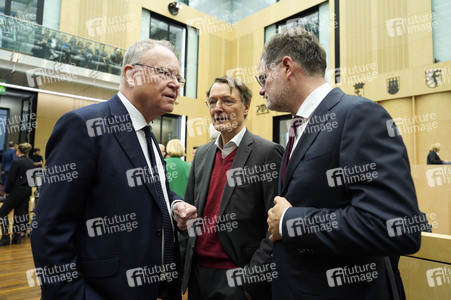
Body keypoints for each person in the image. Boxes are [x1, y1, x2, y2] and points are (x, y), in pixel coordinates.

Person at [259, 27, 426, 300]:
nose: (261, 88)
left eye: (263, 77)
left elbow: (395, 227)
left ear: (287, 66)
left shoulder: (359, 115)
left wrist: (291, 221)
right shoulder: (297, 129)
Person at [31, 39, 197, 299]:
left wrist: (173, 204)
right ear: (131, 75)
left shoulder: (148, 135)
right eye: (165, 73)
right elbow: (50, 228)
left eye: (179, 77)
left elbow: (149, 192)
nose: (176, 84)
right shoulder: (84, 126)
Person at [181, 76, 284, 300]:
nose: (218, 108)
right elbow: (189, 217)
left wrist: (251, 281)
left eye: (227, 101)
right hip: (198, 276)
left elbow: (275, 226)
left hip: (238, 278)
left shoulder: (267, 153)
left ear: (246, 107)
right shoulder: (202, 155)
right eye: (212, 101)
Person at [0, 143, 34, 246]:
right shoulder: (31, 162)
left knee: (2, 213)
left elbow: (10, 179)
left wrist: (6, 191)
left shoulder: (16, 161)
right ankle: (17, 237)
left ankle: (5, 236)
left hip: (16, 191)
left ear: (18, 151)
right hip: (27, 191)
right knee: (19, 214)